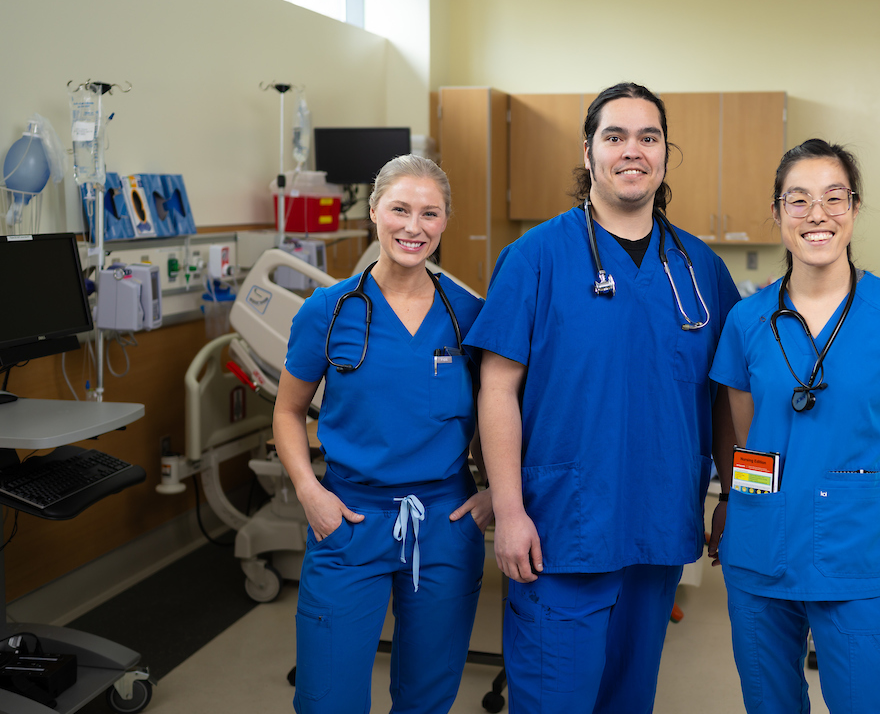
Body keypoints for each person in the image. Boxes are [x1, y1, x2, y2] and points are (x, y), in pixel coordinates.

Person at [465, 82, 741, 714]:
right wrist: (509, 511)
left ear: (667, 154)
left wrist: (734, 495)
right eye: (614, 136)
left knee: (630, 700)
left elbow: (727, 401)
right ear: (588, 153)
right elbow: (497, 388)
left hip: (660, 524)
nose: (632, 150)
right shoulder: (534, 257)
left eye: (649, 137)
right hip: (563, 529)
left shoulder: (701, 270)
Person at [707, 139, 880, 714]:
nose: (818, 215)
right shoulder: (747, 320)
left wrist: (868, 514)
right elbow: (744, 438)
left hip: (857, 552)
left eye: (834, 198)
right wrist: (746, 508)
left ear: (855, 209)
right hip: (761, 550)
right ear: (778, 213)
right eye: (799, 199)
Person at [274, 154, 491, 714]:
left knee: (427, 696)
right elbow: (288, 412)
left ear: (444, 223)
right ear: (374, 212)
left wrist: (496, 494)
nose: (413, 227)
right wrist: (309, 493)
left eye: (429, 213)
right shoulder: (329, 310)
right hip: (348, 520)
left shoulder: (469, 314)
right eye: (399, 209)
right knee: (326, 699)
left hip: (443, 521)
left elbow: (507, 410)